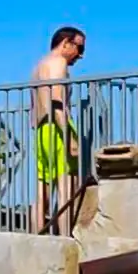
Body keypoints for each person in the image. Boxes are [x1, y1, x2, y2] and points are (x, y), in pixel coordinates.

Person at [30, 26, 85, 233]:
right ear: (65, 43)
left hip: (42, 129)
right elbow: (57, 102)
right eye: (79, 48)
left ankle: (35, 238)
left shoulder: (38, 67)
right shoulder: (58, 63)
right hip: (57, 127)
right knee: (66, 185)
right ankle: (65, 239)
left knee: (42, 190)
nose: (80, 55)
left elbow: (35, 107)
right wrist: (69, 137)